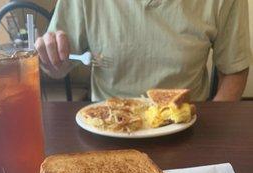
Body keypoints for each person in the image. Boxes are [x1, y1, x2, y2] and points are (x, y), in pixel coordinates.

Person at [35, 0, 251, 101]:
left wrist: (210, 128)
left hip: (186, 126)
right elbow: (57, 67)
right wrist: (51, 61)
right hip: (106, 125)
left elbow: (234, 70)